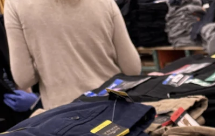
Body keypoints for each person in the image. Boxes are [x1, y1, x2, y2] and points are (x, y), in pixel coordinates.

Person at [4, 0, 142, 111]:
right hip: (114, 105)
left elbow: (24, 78)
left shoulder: (15, 4)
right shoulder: (105, 2)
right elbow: (132, 68)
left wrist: (46, 59)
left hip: (64, 113)